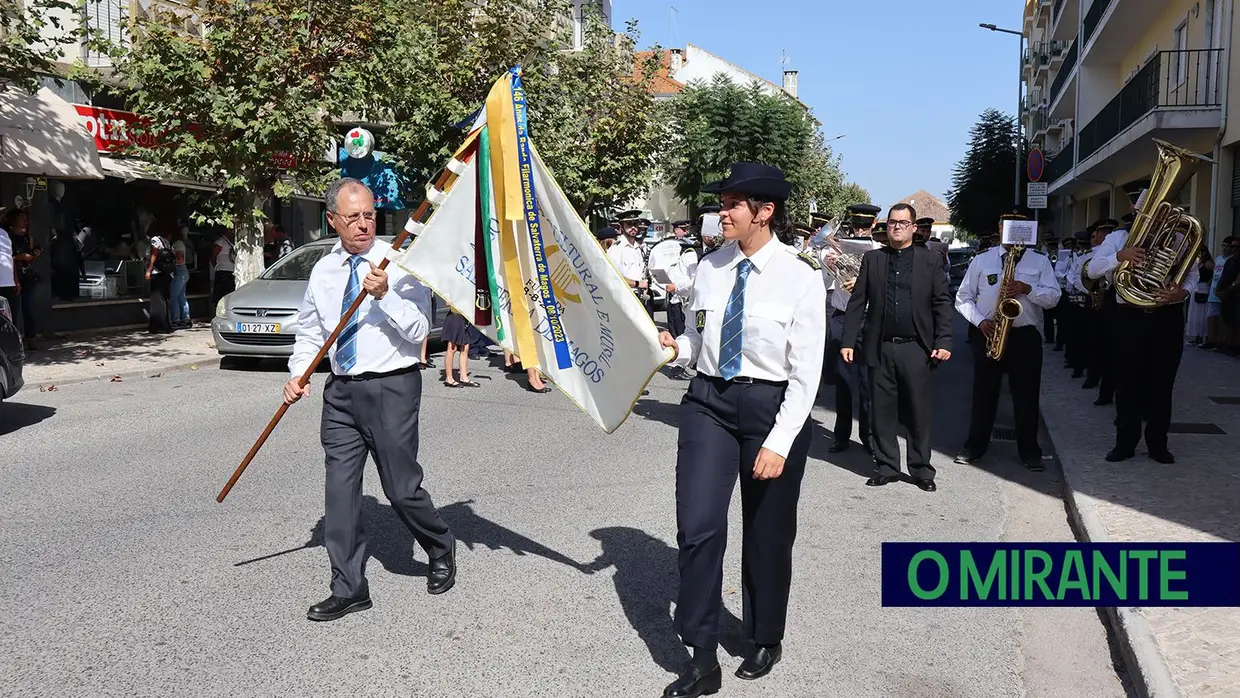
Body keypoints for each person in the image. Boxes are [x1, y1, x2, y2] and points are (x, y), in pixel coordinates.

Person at [656, 162, 826, 697]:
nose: (720, 212)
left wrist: (779, 441)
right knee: (699, 525)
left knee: (767, 531)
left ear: (765, 211)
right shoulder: (710, 267)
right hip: (708, 400)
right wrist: (674, 349)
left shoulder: (802, 276)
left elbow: (806, 372)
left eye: (731, 203)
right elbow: (696, 337)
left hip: (771, 407)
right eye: (721, 201)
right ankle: (702, 655)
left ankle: (764, 634)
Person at [284, 177, 456, 621]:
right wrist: (298, 373)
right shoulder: (323, 270)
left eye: (369, 216)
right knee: (340, 493)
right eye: (352, 217)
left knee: (401, 489)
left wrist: (385, 297)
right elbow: (309, 330)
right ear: (332, 220)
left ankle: (439, 544)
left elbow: (421, 332)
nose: (363, 224)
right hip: (341, 391)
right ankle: (349, 587)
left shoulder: (398, 262)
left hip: (392, 387)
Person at [841, 203, 953, 491]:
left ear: (914, 228)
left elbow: (941, 302)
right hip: (880, 347)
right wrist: (849, 340)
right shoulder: (874, 260)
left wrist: (944, 340)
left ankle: (921, 470)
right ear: (886, 226)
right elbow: (858, 302)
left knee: (917, 412)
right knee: (881, 411)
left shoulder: (930, 261)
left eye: (903, 222)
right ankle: (888, 466)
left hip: (917, 348)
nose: (897, 227)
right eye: (893, 222)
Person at [1083, 199, 1199, 463]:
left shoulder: (1179, 237)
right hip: (1129, 316)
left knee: (1162, 383)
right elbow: (1091, 269)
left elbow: (1192, 273)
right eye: (1148, 209)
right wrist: (1119, 257)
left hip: (1167, 316)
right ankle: (1125, 443)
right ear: (1138, 211)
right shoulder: (1118, 237)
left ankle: (1158, 444)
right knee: (1127, 382)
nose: (1155, 215)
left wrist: (1182, 291)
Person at [953, 213, 1061, 471]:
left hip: (1025, 336)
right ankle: (974, 447)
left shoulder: (1040, 261)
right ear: (1000, 229)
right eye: (1009, 227)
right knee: (984, 394)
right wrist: (980, 322)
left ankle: (1029, 451)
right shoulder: (982, 260)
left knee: (1026, 396)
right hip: (990, 331)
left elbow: (1054, 297)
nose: (1015, 233)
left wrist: (1028, 289)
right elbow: (963, 298)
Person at [821, 203, 883, 453]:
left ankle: (868, 436)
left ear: (873, 226)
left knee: (869, 382)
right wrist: (831, 267)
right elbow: (822, 283)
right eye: (856, 226)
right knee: (843, 381)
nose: (859, 232)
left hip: (868, 319)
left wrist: (864, 281)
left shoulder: (881, 251)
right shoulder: (834, 251)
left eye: (864, 227)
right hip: (842, 317)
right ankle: (841, 435)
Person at [145, 228, 174, 334]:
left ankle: (158, 326)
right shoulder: (166, 241)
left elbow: (154, 254)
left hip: (158, 273)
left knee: (157, 301)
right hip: (167, 273)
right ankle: (167, 325)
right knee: (166, 299)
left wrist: (149, 269)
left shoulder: (155, 240)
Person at [211, 230, 236, 307]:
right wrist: (216, 265)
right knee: (221, 292)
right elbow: (213, 256)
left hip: (232, 270)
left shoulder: (233, 242)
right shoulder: (220, 242)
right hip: (222, 271)